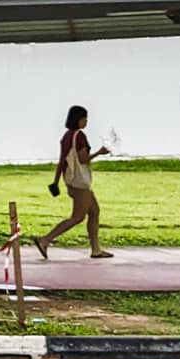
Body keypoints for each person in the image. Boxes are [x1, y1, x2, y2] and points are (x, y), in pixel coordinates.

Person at [33, 104, 112, 260]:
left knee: (94, 211)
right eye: (84, 118)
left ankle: (96, 249)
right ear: (78, 119)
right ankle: (45, 239)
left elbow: (62, 160)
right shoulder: (80, 136)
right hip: (80, 182)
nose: (86, 122)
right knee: (78, 217)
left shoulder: (66, 136)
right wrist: (99, 153)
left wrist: (56, 182)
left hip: (70, 180)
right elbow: (83, 159)